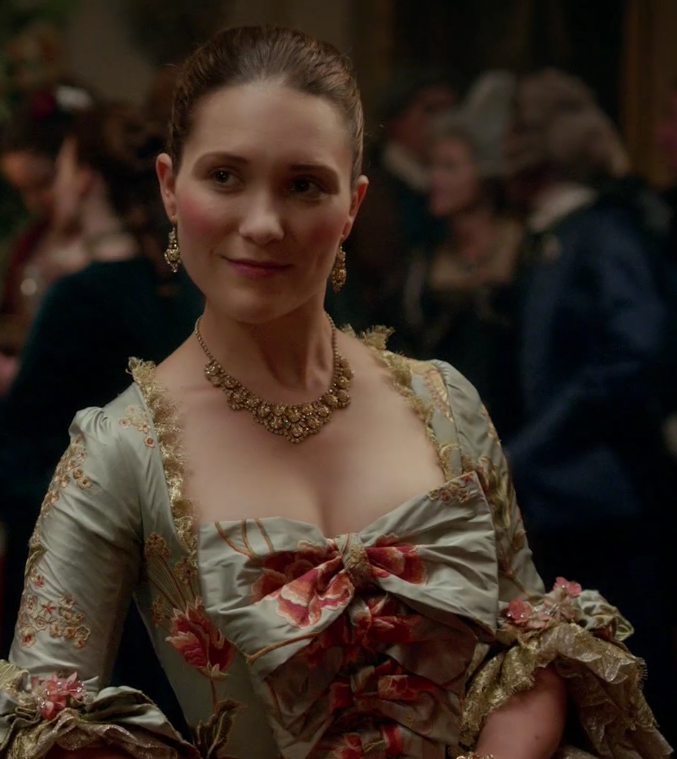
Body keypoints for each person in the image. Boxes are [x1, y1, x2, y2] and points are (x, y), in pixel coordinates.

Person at [0, 28, 669, 759]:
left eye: (304, 185)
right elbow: (42, 721)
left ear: (352, 203)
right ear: (169, 185)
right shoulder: (119, 451)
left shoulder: (443, 403)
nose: (263, 224)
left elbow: (530, 641)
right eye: (224, 176)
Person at [0, 103, 202, 725]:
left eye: (58, 171)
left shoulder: (81, 296)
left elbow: (17, 451)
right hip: (176, 572)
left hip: (84, 570)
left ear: (83, 177)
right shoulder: (182, 287)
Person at [503, 69, 676, 736]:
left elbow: (632, 355)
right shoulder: (559, 235)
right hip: (562, 498)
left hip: (606, 500)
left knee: (628, 686)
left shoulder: (602, 234)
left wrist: (533, 446)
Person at [397, 72, 522, 437]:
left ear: (486, 174)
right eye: (433, 166)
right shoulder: (422, 265)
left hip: (518, 437)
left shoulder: (527, 250)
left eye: (450, 167)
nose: (435, 179)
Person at [331, 71, 456, 336]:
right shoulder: (371, 184)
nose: (442, 122)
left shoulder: (445, 187)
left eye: (450, 111)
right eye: (430, 111)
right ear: (397, 119)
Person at [0, 84, 93, 366]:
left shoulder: (108, 248)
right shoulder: (32, 241)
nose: (32, 203)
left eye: (43, 184)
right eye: (22, 191)